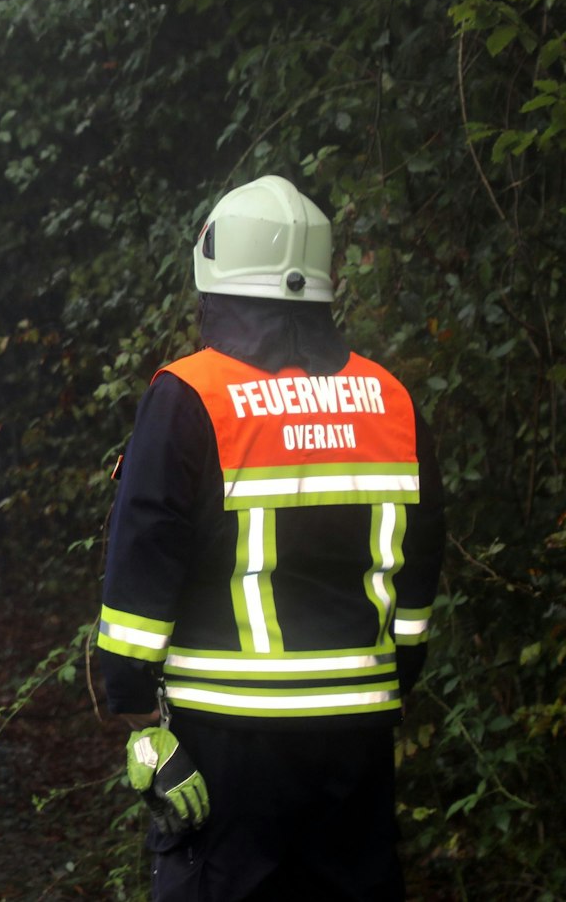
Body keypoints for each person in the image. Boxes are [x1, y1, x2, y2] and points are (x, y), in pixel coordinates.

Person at [97, 175, 445, 900]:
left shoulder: (191, 394)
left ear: (214, 280)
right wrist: (396, 670)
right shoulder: (391, 398)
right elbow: (418, 567)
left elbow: (145, 558)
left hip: (226, 735)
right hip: (358, 730)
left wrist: (137, 716)